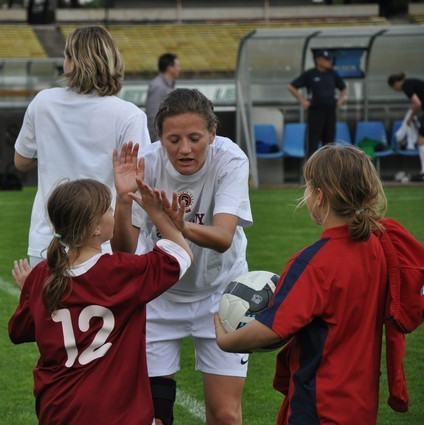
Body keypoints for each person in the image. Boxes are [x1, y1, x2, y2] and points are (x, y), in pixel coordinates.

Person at [214, 144, 389, 424]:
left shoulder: (312, 264)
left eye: (307, 187)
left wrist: (226, 341)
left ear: (319, 196)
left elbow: (272, 329)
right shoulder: (377, 248)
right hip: (362, 402)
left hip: (320, 404)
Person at [113, 88, 252, 425]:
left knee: (225, 414)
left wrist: (178, 225)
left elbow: (223, 238)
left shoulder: (230, 160)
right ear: (160, 138)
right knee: (153, 417)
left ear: (212, 133)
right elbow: (124, 250)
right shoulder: (146, 163)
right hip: (160, 296)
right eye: (173, 139)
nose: (185, 149)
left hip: (222, 294)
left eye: (195, 138)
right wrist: (124, 200)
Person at [9, 176, 193, 425]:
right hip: (116, 412)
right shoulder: (120, 270)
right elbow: (181, 255)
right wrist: (158, 214)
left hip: (57, 408)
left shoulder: (42, 274)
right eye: (108, 209)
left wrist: (29, 293)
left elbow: (19, 331)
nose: (112, 212)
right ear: (96, 227)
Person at [14, 25, 151, 267]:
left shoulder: (43, 102)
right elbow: (140, 181)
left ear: (72, 62)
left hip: (49, 240)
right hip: (104, 240)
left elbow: (21, 161)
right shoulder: (129, 114)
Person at [288, 49, 347, 158]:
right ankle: (311, 167)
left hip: (330, 111)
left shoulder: (332, 74)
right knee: (312, 142)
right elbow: (291, 87)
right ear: (318, 60)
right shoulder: (310, 74)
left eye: (330, 59)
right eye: (326, 59)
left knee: (329, 143)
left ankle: (328, 167)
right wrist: (303, 101)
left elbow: (343, 88)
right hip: (315, 112)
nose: (329, 62)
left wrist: (340, 100)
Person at [388, 72, 424, 181]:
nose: (396, 90)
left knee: (421, 141)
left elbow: (417, 103)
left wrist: (410, 117)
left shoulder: (406, 86)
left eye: (394, 88)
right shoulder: (411, 82)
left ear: (395, 84)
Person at [146, 53, 180, 142]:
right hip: (160, 140)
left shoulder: (169, 86)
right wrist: (157, 140)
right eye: (177, 66)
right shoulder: (158, 86)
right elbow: (152, 115)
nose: (179, 69)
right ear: (170, 68)